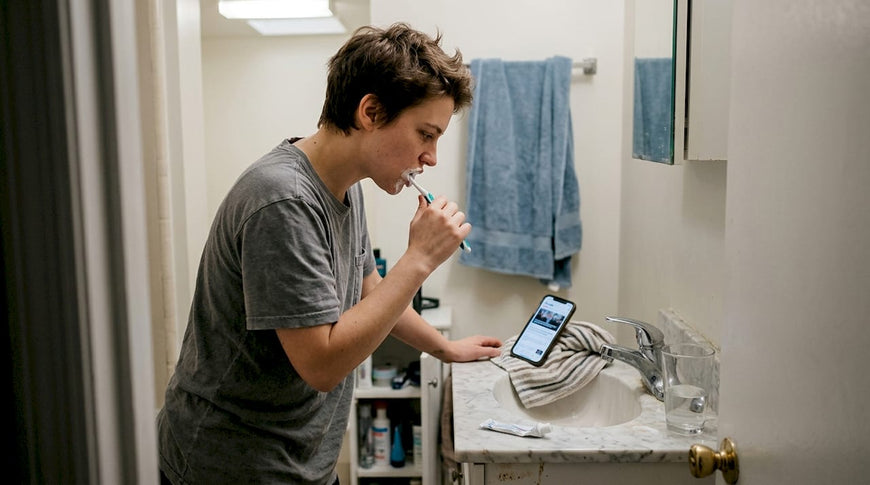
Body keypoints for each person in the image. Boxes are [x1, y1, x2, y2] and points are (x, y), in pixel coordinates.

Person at [156, 23, 503, 485]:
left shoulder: (342, 188)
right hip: (231, 463)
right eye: (425, 134)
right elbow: (321, 364)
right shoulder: (283, 201)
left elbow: (370, 291)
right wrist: (419, 258)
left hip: (300, 459)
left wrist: (444, 349)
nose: (432, 157)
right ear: (371, 112)